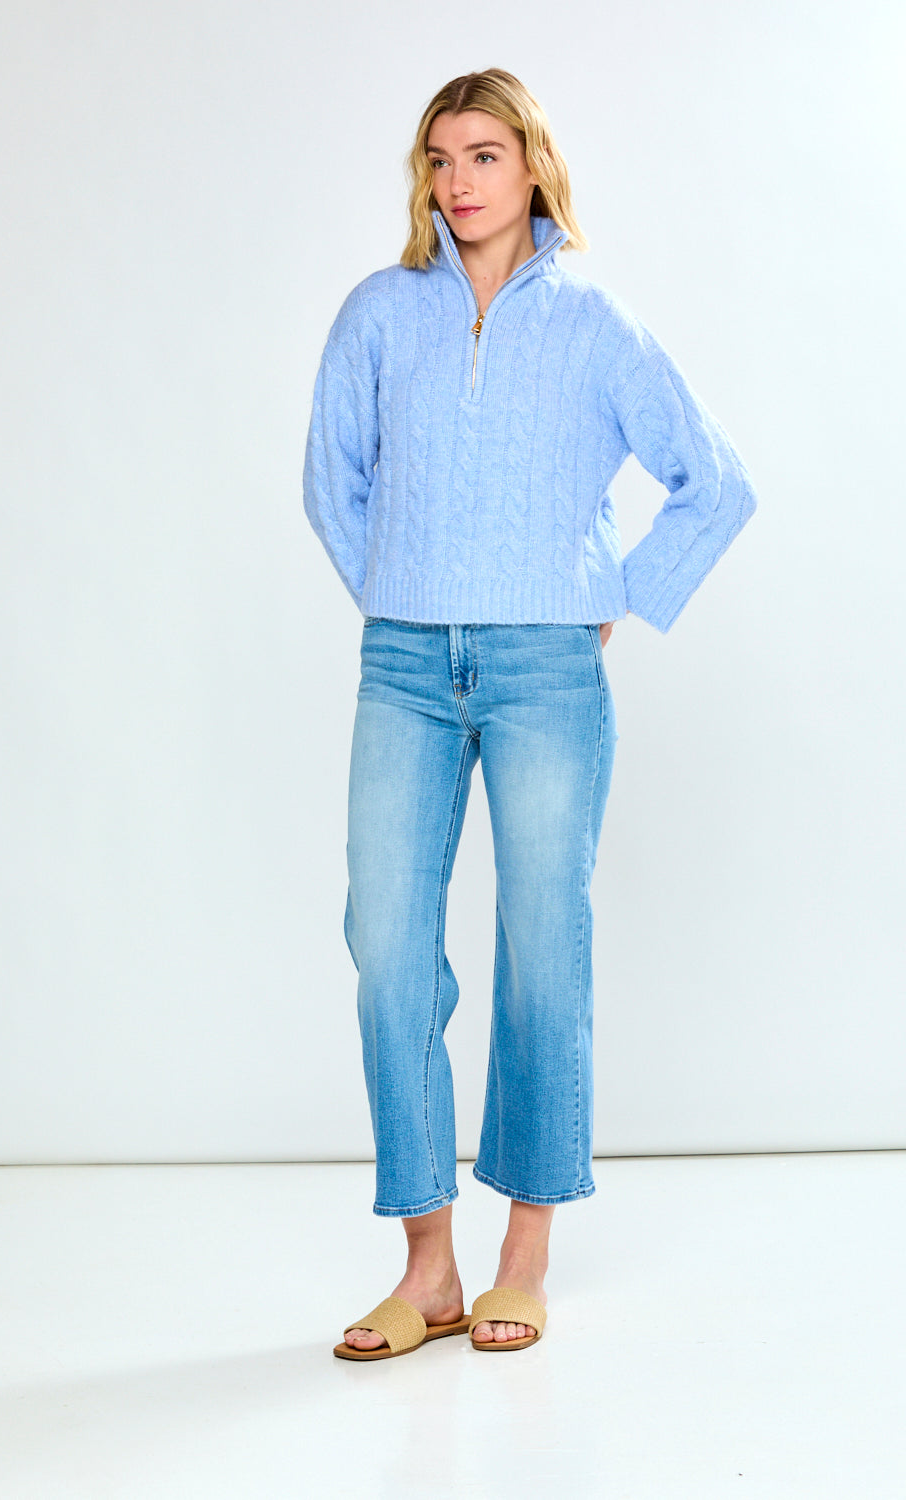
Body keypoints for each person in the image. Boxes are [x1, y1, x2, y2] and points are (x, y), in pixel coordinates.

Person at [302, 68, 757, 1360]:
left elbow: (714, 481)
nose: (459, 180)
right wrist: (409, 589)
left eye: (485, 154)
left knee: (542, 946)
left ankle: (524, 1256)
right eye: (440, 158)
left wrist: (613, 595)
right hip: (404, 664)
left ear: (534, 166)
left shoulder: (594, 324)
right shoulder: (380, 312)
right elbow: (330, 480)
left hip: (548, 669)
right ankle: (428, 1265)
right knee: (388, 945)